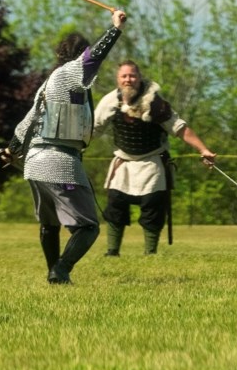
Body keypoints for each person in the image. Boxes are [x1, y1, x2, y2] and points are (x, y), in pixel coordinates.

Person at [0, 8, 128, 285]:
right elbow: (94, 57)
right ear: (77, 53)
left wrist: (11, 149)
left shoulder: (47, 84)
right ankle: (61, 269)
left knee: (50, 223)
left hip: (34, 163)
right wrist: (115, 28)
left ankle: (54, 275)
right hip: (59, 162)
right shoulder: (70, 74)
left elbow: (26, 123)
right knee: (89, 226)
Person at [92, 61, 216, 256]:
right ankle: (112, 251)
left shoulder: (155, 102)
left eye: (132, 75)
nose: (128, 80)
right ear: (118, 79)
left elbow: (179, 127)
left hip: (152, 163)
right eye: (124, 76)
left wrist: (204, 150)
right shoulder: (109, 102)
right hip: (123, 163)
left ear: (139, 77)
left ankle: (150, 252)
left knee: (153, 209)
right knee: (115, 207)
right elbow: (93, 129)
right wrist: (73, 146)